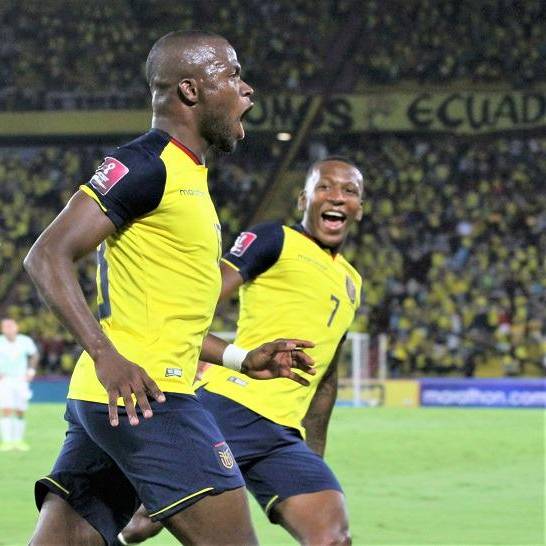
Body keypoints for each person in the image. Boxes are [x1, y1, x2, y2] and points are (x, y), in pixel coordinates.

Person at [24, 30, 315, 546]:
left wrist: (241, 359)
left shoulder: (187, 175)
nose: (247, 88)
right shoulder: (148, 163)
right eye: (232, 74)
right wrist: (105, 355)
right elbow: (47, 255)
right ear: (190, 90)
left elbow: (168, 321)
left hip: (115, 397)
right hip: (149, 398)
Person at [118, 157, 364, 546]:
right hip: (228, 409)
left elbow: (326, 380)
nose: (336, 197)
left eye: (348, 191)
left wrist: (312, 456)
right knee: (139, 525)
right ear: (303, 200)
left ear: (359, 208)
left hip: (282, 435)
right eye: (324, 187)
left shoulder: (352, 281)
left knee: (332, 537)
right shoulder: (274, 239)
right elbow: (198, 303)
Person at [0, 318, 39, 451]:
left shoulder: (25, 341)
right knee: (6, 409)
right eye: (5, 326)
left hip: (21, 379)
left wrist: (31, 371)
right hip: (5, 380)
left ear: (16, 327)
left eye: (11, 326)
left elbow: (34, 355)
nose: (8, 329)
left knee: (20, 410)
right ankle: (7, 441)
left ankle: (18, 441)